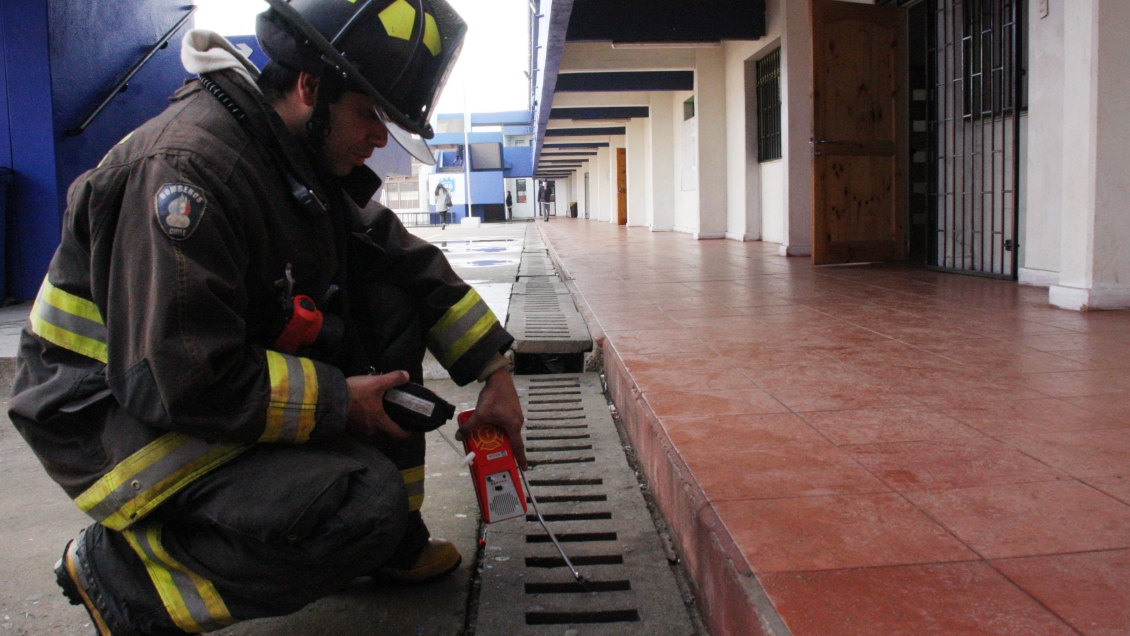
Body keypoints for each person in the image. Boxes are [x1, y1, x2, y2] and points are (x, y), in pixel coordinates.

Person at [9, 2, 527, 634]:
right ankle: (123, 580)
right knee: (358, 508)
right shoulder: (188, 173)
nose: (378, 139)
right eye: (370, 115)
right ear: (311, 87)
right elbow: (179, 379)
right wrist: (342, 400)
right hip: (110, 416)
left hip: (180, 388)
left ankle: (390, 543)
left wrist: (495, 375)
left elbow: (408, 265)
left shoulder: (294, 160)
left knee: (390, 298)